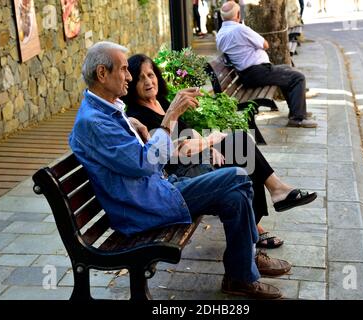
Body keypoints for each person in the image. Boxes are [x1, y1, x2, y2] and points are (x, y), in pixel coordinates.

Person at [69, 41, 294, 299]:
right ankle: (246, 264)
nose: (129, 77)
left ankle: (240, 274)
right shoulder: (94, 121)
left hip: (159, 189)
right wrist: (169, 118)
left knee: (235, 197)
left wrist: (135, 128)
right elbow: (145, 163)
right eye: (124, 69)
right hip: (144, 207)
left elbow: (132, 157)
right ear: (102, 73)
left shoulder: (104, 110)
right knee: (239, 177)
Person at [122, 54, 317, 249]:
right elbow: (176, 151)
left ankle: (274, 195)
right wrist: (208, 143)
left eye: (150, 74)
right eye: (140, 78)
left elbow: (189, 133)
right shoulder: (138, 115)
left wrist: (210, 146)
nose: (148, 81)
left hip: (196, 158)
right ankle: (261, 218)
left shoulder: (162, 103)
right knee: (242, 158)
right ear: (130, 83)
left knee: (240, 144)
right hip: (181, 174)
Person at [216, 1, 317, 128]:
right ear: (237, 15)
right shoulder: (240, 29)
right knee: (298, 77)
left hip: (248, 74)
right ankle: (298, 119)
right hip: (257, 72)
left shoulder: (220, 34)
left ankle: (297, 111)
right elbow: (265, 44)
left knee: (286, 69)